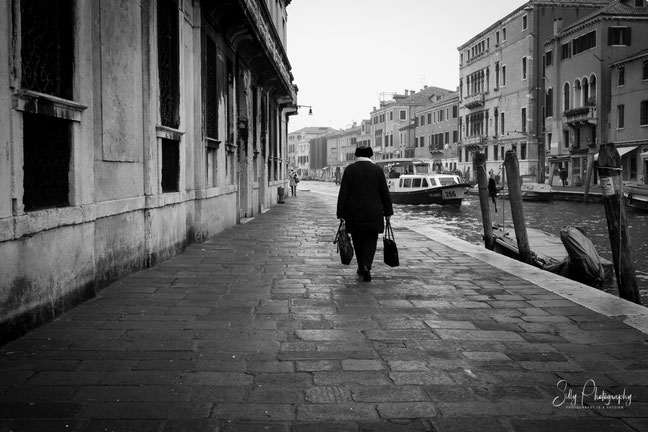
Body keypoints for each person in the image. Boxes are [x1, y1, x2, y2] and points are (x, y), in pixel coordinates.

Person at [336, 146, 393, 281]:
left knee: (357, 238)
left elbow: (343, 193)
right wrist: (388, 212)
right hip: (374, 211)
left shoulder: (350, 170)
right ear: (371, 155)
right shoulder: (378, 170)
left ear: (356, 155)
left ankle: (362, 266)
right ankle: (367, 265)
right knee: (371, 239)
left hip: (354, 211)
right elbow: (385, 193)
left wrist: (340, 213)